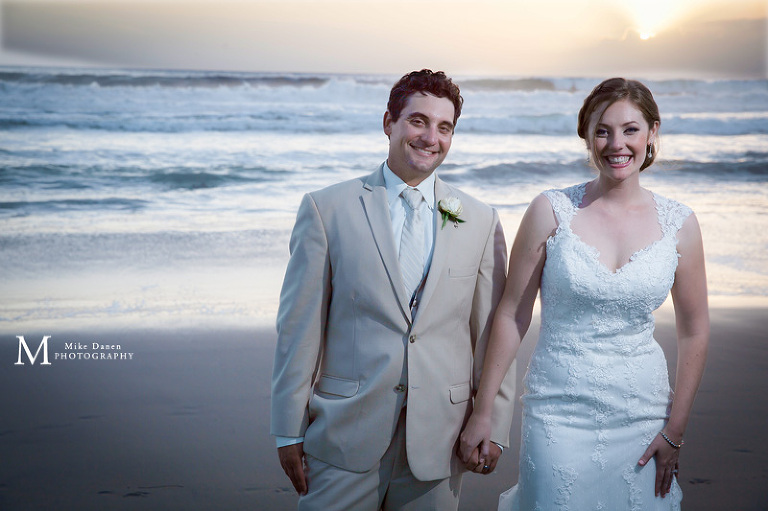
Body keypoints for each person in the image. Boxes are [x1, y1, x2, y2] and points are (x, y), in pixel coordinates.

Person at [271, 69, 517, 511]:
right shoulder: (327, 209)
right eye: (418, 121)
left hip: (439, 440)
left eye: (444, 127)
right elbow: (298, 328)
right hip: (346, 435)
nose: (430, 137)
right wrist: (287, 428)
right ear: (389, 122)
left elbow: (493, 333)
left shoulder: (478, 219)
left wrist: (493, 422)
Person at [459, 77, 709, 510]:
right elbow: (511, 315)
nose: (617, 144)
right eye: (603, 130)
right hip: (558, 413)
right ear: (586, 136)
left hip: (644, 414)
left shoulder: (679, 223)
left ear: (652, 132)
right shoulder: (550, 210)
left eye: (631, 129)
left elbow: (695, 331)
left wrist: (676, 429)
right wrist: (484, 412)